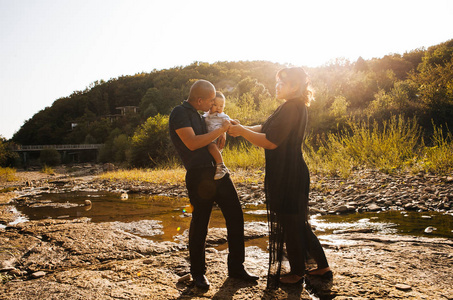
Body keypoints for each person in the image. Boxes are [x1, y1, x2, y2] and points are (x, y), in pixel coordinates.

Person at [228, 68, 331, 288]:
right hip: (288, 171)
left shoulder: (292, 107)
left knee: (291, 223)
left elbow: (271, 141)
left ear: (294, 86)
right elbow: (266, 128)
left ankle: (296, 272)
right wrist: (242, 128)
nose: (277, 86)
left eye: (281, 83)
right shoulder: (289, 106)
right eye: (276, 82)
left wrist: (243, 133)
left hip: (289, 174)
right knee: (295, 222)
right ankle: (321, 267)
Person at [169, 79, 258, 290]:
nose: (212, 105)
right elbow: (191, 143)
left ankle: (236, 267)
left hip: (219, 173)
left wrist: (224, 131)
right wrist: (219, 132)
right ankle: (198, 273)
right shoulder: (179, 113)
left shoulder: (202, 116)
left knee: (236, 216)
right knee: (201, 223)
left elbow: (210, 134)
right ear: (199, 99)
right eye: (210, 101)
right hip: (199, 176)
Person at [203, 91, 230, 180]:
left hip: (216, 138)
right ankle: (218, 168)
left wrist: (224, 131)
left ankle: (221, 166)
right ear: (210, 104)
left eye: (221, 106)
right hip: (210, 137)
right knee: (212, 154)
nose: (218, 108)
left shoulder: (222, 116)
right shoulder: (206, 115)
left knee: (211, 147)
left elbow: (229, 123)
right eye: (215, 105)